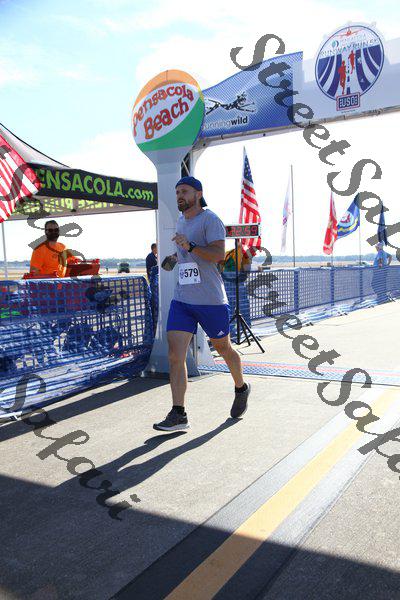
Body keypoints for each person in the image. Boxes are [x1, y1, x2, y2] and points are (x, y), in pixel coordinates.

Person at [153, 176, 250, 432]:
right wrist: (176, 256)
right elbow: (188, 253)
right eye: (177, 192)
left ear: (198, 194)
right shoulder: (181, 221)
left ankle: (241, 387)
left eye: (184, 191)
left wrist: (191, 245)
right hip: (183, 300)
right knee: (175, 355)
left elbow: (218, 255)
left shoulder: (210, 220)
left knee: (223, 348)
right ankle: (179, 414)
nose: (179, 196)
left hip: (210, 300)